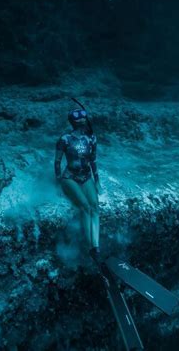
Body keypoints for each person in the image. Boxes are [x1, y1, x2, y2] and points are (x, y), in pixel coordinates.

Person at [54, 107, 103, 262]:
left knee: (95, 207)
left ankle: (96, 246)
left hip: (86, 176)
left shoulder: (91, 138)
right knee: (85, 207)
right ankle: (91, 248)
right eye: (78, 118)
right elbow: (57, 162)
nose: (81, 120)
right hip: (69, 177)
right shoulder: (65, 139)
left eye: (83, 117)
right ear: (72, 121)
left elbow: (93, 161)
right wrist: (58, 181)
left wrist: (97, 181)